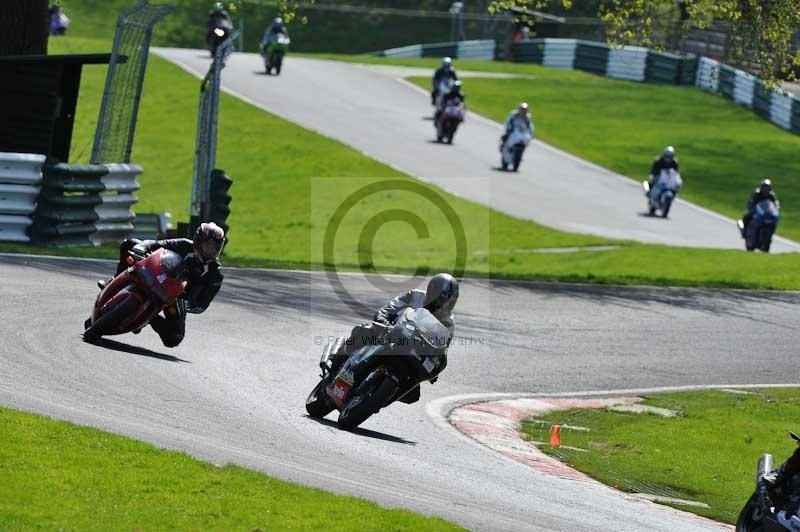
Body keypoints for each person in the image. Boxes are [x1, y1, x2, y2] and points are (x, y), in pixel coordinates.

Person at [327, 273, 460, 403]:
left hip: (412, 352)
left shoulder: (448, 323)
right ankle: (335, 365)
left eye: (451, 302)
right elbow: (390, 307)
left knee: (412, 394)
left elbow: (441, 349)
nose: (446, 305)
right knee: (364, 331)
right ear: (433, 292)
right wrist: (383, 318)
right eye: (445, 300)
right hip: (390, 334)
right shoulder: (415, 295)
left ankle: (374, 396)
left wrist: (434, 365)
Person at [96, 222, 225, 348]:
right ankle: (115, 280)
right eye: (209, 246)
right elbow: (156, 244)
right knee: (129, 244)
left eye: (215, 248)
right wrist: (142, 248)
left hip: (175, 299)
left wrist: (185, 304)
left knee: (174, 338)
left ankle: (150, 317)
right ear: (198, 241)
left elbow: (202, 305)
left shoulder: (216, 274)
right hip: (156, 276)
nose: (212, 251)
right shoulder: (184, 245)